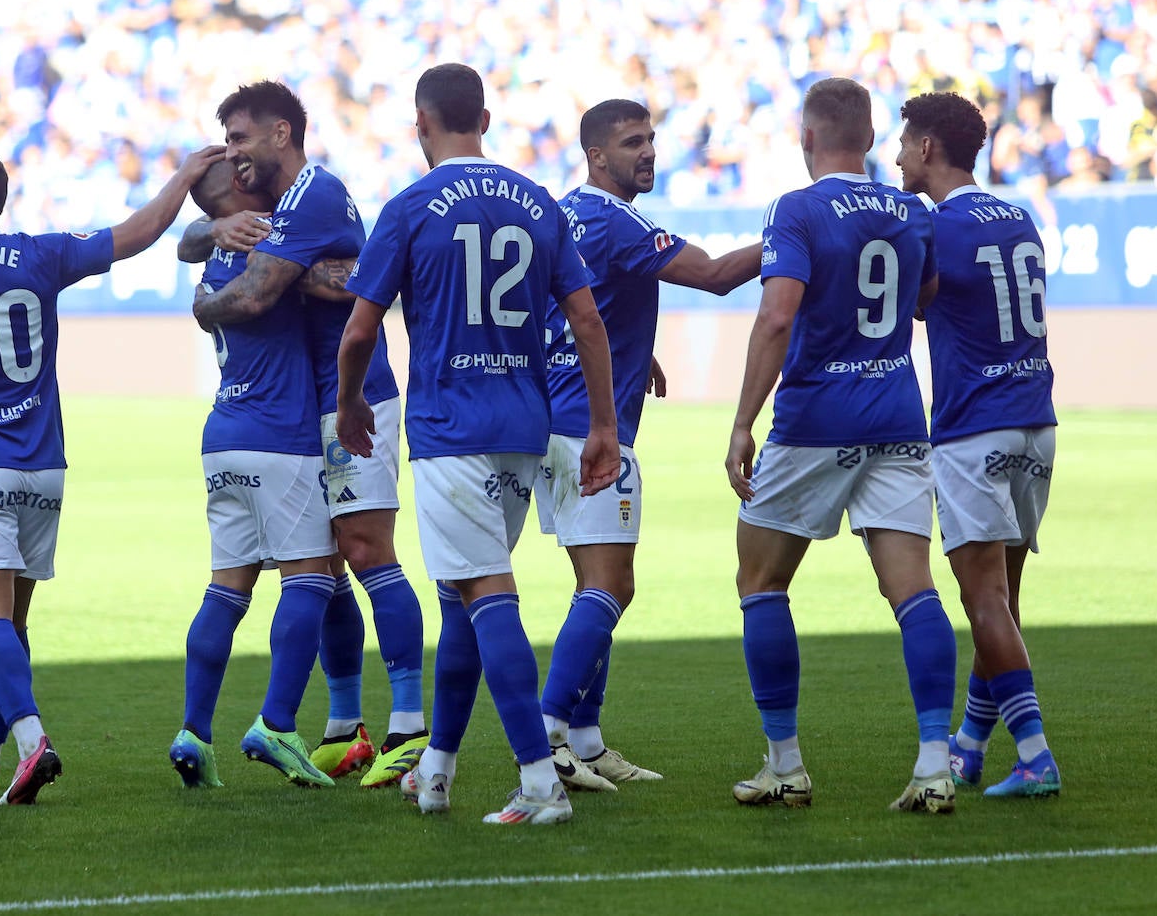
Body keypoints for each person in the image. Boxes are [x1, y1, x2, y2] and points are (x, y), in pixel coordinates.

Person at [0, 140, 226, 805]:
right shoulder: (39, 254)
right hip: (43, 473)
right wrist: (184, 176)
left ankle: (33, 744)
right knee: (12, 625)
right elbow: (136, 235)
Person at [336, 62, 619, 826]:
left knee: (486, 594)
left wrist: (349, 401)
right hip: (522, 428)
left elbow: (361, 327)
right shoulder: (536, 201)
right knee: (462, 599)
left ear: (421, 124)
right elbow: (588, 322)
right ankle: (437, 768)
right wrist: (602, 426)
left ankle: (539, 781)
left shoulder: (410, 206)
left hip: (449, 430)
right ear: (484, 120)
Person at [722, 77, 958, 814]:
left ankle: (786, 764)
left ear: (808, 137)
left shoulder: (796, 209)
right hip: (895, 415)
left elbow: (775, 318)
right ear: (866, 137)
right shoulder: (912, 210)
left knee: (760, 582)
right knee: (913, 591)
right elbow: (924, 298)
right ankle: (932, 766)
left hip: (816, 419)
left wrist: (740, 423)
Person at [190, 81, 426, 787]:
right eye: (227, 143)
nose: (233, 155)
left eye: (240, 138)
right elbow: (225, 245)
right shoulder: (278, 210)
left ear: (281, 134)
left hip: (356, 398)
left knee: (365, 548)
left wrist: (207, 305)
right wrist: (212, 233)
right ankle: (344, 727)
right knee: (321, 566)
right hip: (312, 404)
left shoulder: (314, 194)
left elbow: (260, 292)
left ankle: (411, 726)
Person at [536, 99, 762, 790]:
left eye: (651, 140)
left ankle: (587, 739)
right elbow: (719, 275)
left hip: (550, 420)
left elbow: (573, 303)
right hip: (591, 429)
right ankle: (545, 735)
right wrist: (794, 234)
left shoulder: (557, 213)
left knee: (591, 586)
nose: (649, 152)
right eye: (633, 143)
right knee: (612, 585)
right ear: (597, 156)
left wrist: (636, 351)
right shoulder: (614, 220)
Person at [897, 91, 1061, 798]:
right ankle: (969, 746)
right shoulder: (1018, 216)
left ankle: (1035, 753)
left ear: (928, 148)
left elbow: (914, 303)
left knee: (984, 598)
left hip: (973, 429)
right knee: (1002, 599)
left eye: (905, 143)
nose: (898, 155)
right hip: (1036, 422)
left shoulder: (934, 228)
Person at [168, 158, 345, 789]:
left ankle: (193, 730)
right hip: (282, 436)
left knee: (226, 590)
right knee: (313, 576)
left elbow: (190, 242)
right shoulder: (271, 242)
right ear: (240, 193)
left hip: (224, 435)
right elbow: (340, 284)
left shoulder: (211, 254)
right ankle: (277, 722)